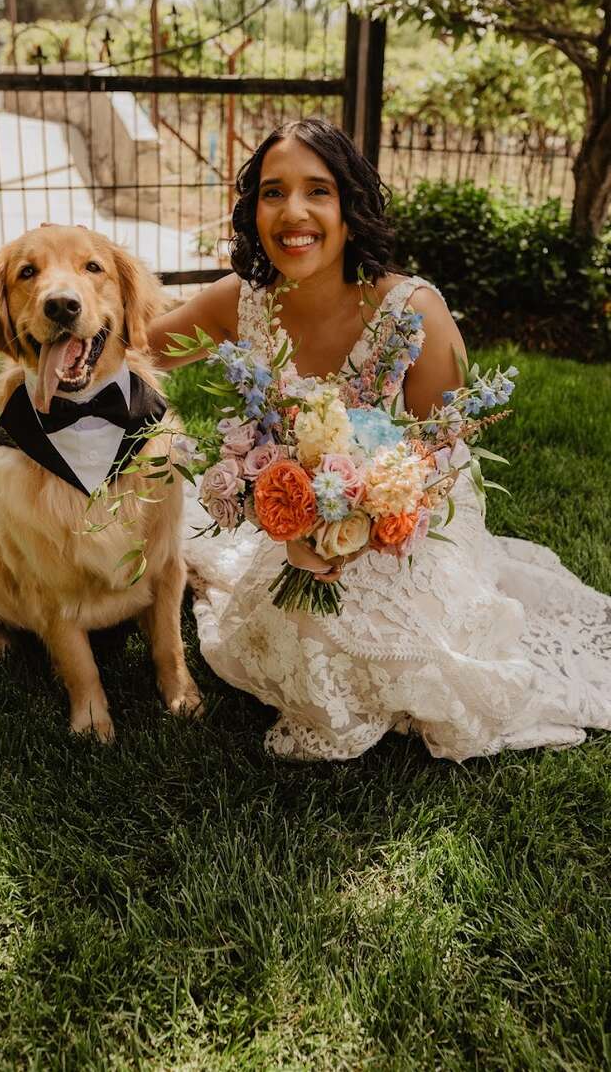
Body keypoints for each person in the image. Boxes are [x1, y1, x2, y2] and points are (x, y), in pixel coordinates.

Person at [147, 117, 611, 762]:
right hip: (299, 518)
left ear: (351, 207)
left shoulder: (412, 310)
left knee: (401, 649)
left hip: (409, 516)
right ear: (253, 210)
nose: (294, 212)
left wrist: (361, 518)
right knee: (297, 634)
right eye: (273, 193)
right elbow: (136, 352)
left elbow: (443, 451)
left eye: (319, 191)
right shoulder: (241, 302)